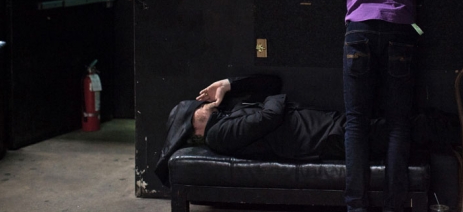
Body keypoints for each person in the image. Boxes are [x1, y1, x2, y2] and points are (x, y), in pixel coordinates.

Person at [330, 0, 433, 212]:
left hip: (359, 29)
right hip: (401, 29)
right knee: (398, 122)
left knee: (357, 121)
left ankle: (355, 206)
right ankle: (395, 206)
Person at [154, 75, 387, 187]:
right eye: (199, 108)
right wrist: (273, 100)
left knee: (393, 130)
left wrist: (229, 84)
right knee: (396, 132)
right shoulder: (218, 135)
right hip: (322, 137)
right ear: (194, 124)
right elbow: (270, 115)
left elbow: (271, 82)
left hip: (325, 126)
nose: (204, 104)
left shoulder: (229, 113)